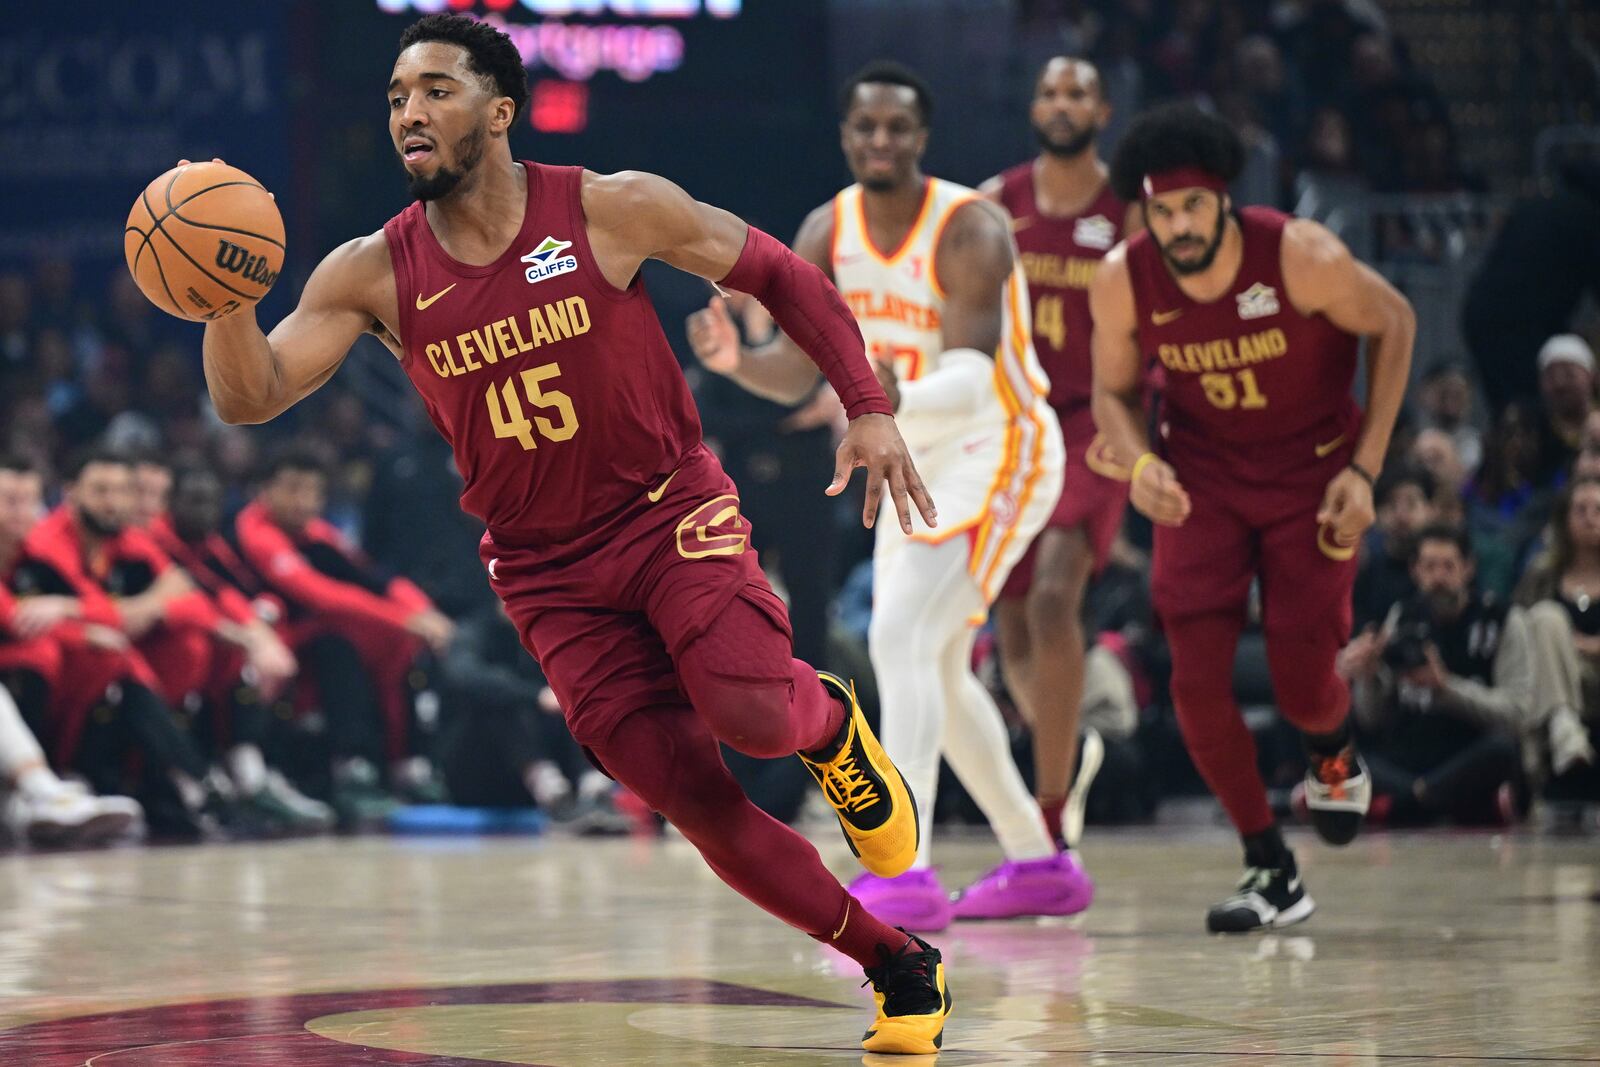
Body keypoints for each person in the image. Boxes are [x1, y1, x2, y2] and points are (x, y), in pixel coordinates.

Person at [195, 15, 947, 1054]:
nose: (409, 111)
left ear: (500, 112)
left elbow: (779, 273)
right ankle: (896, 960)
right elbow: (254, 394)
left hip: (666, 511)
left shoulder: (608, 206)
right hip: (545, 571)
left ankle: (830, 728)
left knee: (750, 713)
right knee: (691, 796)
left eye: (436, 91)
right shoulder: (371, 271)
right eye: (396, 98)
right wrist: (222, 301)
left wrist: (863, 401)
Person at [691, 60, 1081, 933]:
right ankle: (1036, 860)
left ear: (920, 136)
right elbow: (801, 361)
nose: (879, 140)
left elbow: (977, 379)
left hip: (1000, 444)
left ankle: (901, 869)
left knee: (899, 634)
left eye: (896, 127)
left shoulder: (969, 227)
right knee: (928, 659)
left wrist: (885, 399)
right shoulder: (829, 228)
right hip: (909, 447)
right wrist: (737, 365)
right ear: (845, 135)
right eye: (864, 126)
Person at [1089, 103, 1414, 933]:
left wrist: (1367, 469)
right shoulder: (1124, 277)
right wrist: (1140, 461)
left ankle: (1333, 751)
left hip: (1312, 477)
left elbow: (1397, 321)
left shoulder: (1299, 256)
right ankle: (1270, 865)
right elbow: (1111, 396)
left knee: (1306, 684)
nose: (1178, 225)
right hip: (1201, 481)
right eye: (1162, 211)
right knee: (1195, 687)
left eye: (1192, 207)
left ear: (1224, 199)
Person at [977, 56, 1143, 858]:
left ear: (1103, 109)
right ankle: (1065, 763)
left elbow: (1163, 325)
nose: (1061, 103)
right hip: (1009, 424)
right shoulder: (992, 203)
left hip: (1092, 422)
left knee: (1052, 600)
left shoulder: (1130, 211)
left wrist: (1145, 424)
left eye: (1078, 90)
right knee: (1008, 628)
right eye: (1048, 90)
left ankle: (1047, 811)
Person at [232, 449, 452, 817]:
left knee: (400, 647)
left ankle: (406, 764)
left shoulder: (319, 533)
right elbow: (320, 595)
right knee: (341, 646)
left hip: (311, 632)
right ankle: (350, 769)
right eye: (292, 489)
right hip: (270, 636)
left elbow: (370, 578)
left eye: (313, 492)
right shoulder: (255, 532)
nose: (304, 501)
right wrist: (403, 619)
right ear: (264, 491)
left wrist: (423, 610)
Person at [1340, 525, 1530, 825]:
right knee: (1337, 751)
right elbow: (1371, 719)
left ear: (1468, 568)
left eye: (1448, 566)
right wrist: (1368, 676)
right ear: (1415, 570)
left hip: (1466, 751)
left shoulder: (1503, 618)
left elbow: (1517, 716)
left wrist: (1447, 688)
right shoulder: (1402, 614)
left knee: (1503, 750)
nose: (1438, 578)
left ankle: (1397, 806)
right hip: (1409, 754)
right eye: (1429, 567)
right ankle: (1436, 800)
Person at [1513, 477, 1600, 808]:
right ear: (1565, 518)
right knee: (1546, 616)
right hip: (1557, 678)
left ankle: (1562, 726)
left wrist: (1587, 646)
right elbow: (1518, 632)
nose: (1590, 517)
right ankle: (1564, 727)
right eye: (1581, 510)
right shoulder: (1542, 573)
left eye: (1598, 510)